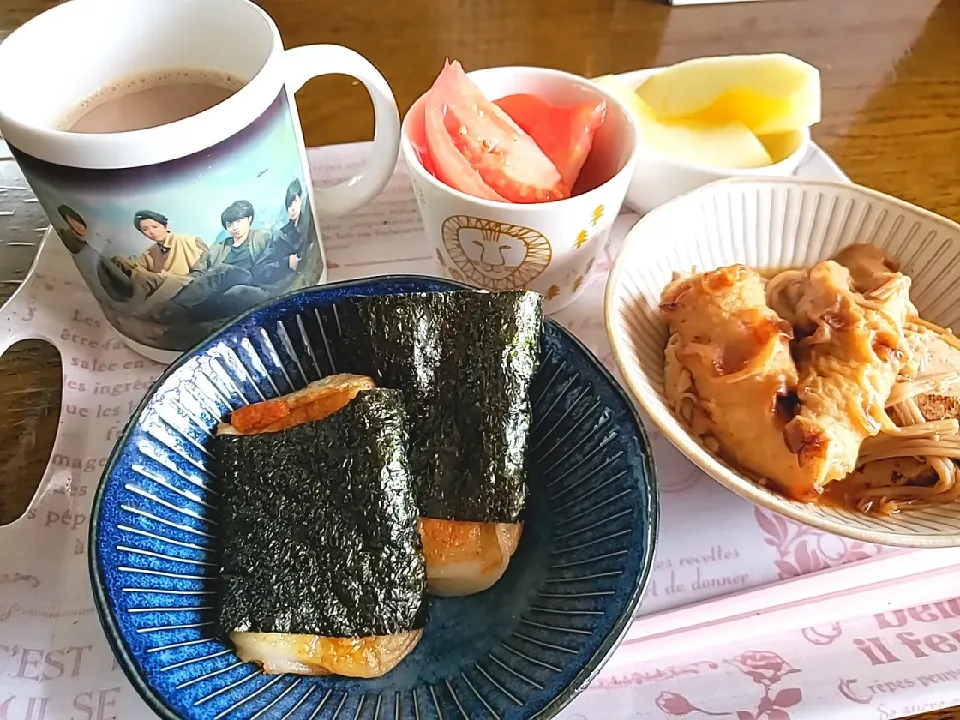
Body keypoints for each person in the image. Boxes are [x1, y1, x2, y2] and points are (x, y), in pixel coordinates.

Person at [260, 179, 315, 284]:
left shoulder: (311, 222)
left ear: (300, 199)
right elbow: (261, 268)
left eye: (295, 201)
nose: (292, 209)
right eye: (289, 205)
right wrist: (286, 262)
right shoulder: (279, 236)